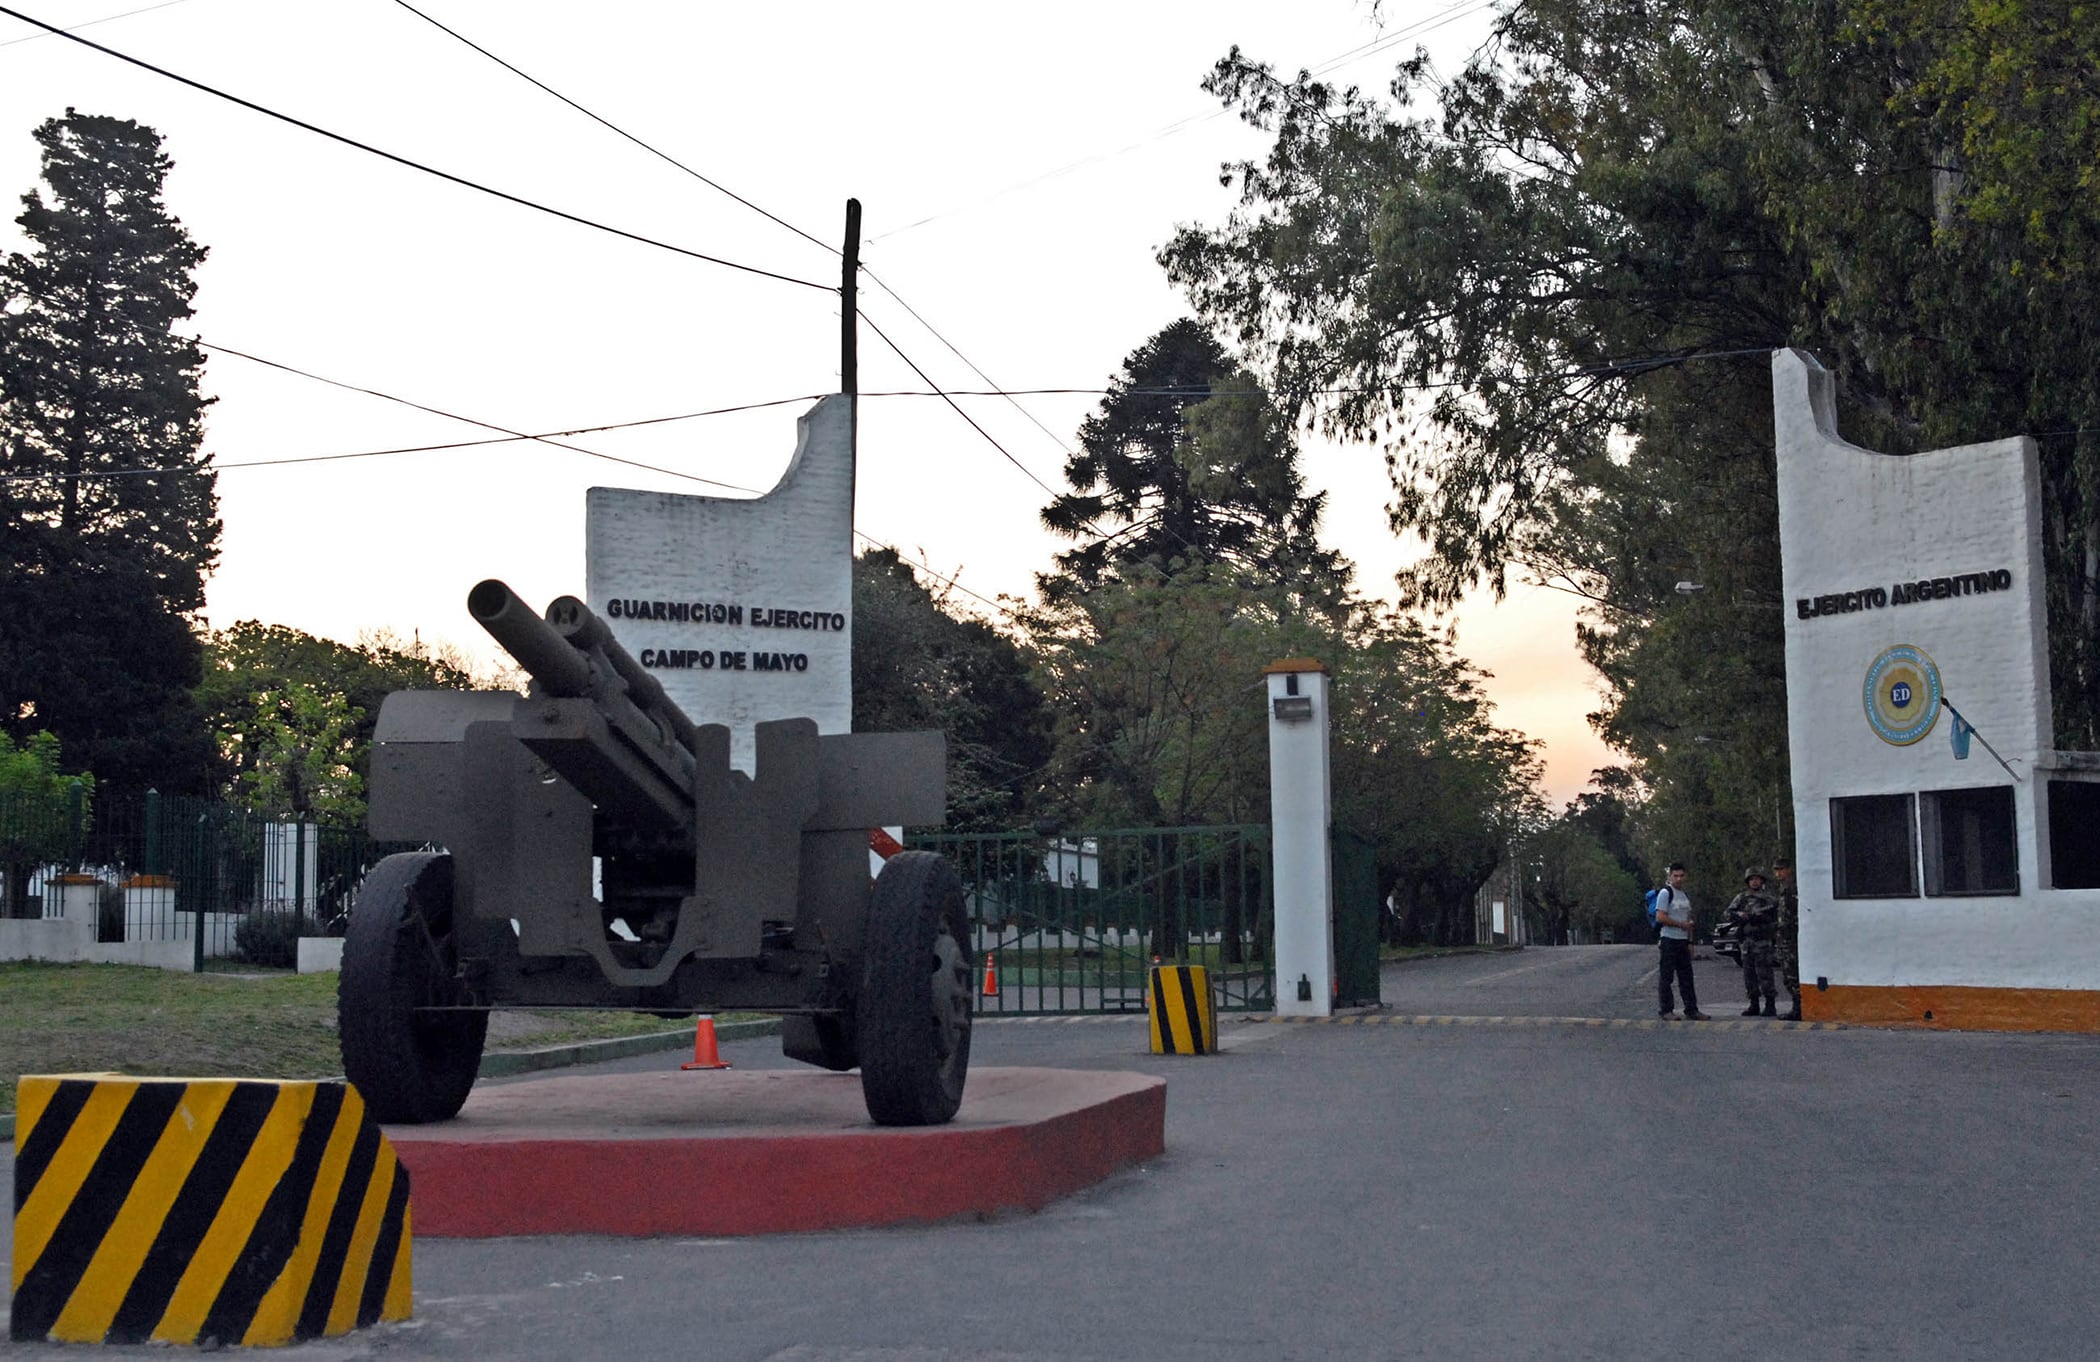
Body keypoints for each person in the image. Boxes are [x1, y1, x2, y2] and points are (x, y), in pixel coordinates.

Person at [1653, 863, 1706, 1019]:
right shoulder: (1665, 893)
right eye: (1675, 876)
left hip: (1683, 941)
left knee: (1686, 977)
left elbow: (1689, 919)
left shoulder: (1685, 895)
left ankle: (1691, 1009)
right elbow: (1660, 916)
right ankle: (1666, 1010)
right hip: (1669, 939)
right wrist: (1680, 925)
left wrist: (1690, 942)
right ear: (1670, 876)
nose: (1679, 879)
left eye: (1681, 875)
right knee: (1666, 977)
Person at [1725, 869, 1781, 1016]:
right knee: (1749, 975)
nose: (1755, 882)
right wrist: (1740, 915)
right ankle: (1753, 1004)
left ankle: (1770, 1005)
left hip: (1763, 941)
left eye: (1757, 879)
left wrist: (1763, 919)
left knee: (1765, 974)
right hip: (1747, 942)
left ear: (1762, 881)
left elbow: (1777, 917)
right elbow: (1728, 913)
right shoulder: (1741, 898)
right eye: (1752, 879)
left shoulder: (1769, 899)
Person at [1772, 858, 1802, 1020]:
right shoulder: (1783, 888)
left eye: (1781, 869)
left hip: (1791, 938)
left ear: (1789, 869)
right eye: (1776, 870)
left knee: (1792, 975)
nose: (1779, 873)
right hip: (1783, 938)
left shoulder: (1793, 888)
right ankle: (1796, 1006)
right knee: (1787, 975)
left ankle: (1798, 1008)